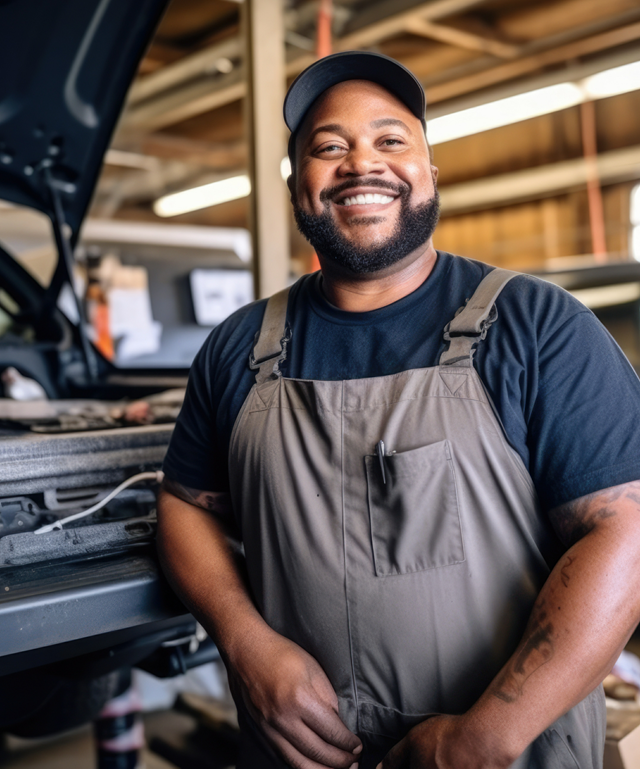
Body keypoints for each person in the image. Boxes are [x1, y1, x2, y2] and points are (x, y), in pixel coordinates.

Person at [157, 51, 640, 769]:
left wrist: (489, 736)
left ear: (429, 173)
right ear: (300, 188)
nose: (361, 164)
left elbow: (624, 533)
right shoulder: (237, 349)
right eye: (329, 147)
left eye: (391, 140)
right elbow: (185, 505)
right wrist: (245, 643)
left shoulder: (536, 326)